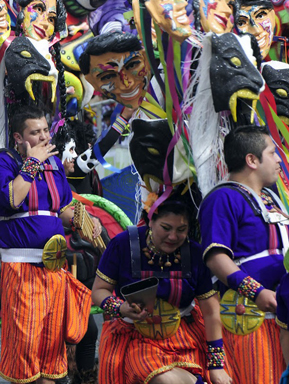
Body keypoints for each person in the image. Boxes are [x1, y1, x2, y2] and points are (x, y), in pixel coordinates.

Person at [0, 107, 96, 383]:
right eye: (35, 133)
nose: (45, 137)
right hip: (22, 270)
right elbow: (12, 200)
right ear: (18, 138)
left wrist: (84, 219)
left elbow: (62, 208)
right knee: (26, 350)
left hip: (55, 270)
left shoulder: (55, 164)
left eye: (46, 130)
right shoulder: (3, 161)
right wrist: (32, 163)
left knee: (50, 351)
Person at [93, 196, 231, 384]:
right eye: (166, 228)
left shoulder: (195, 252)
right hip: (135, 335)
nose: (173, 237)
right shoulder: (122, 244)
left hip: (186, 335)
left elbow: (211, 311)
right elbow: (99, 291)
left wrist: (216, 365)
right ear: (150, 220)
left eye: (181, 230)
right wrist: (119, 308)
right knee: (160, 377)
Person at [199, 125, 288, 383]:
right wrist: (257, 292)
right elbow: (216, 258)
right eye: (272, 153)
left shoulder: (272, 197)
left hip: (282, 314)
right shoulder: (222, 198)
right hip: (251, 318)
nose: (279, 160)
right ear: (252, 160)